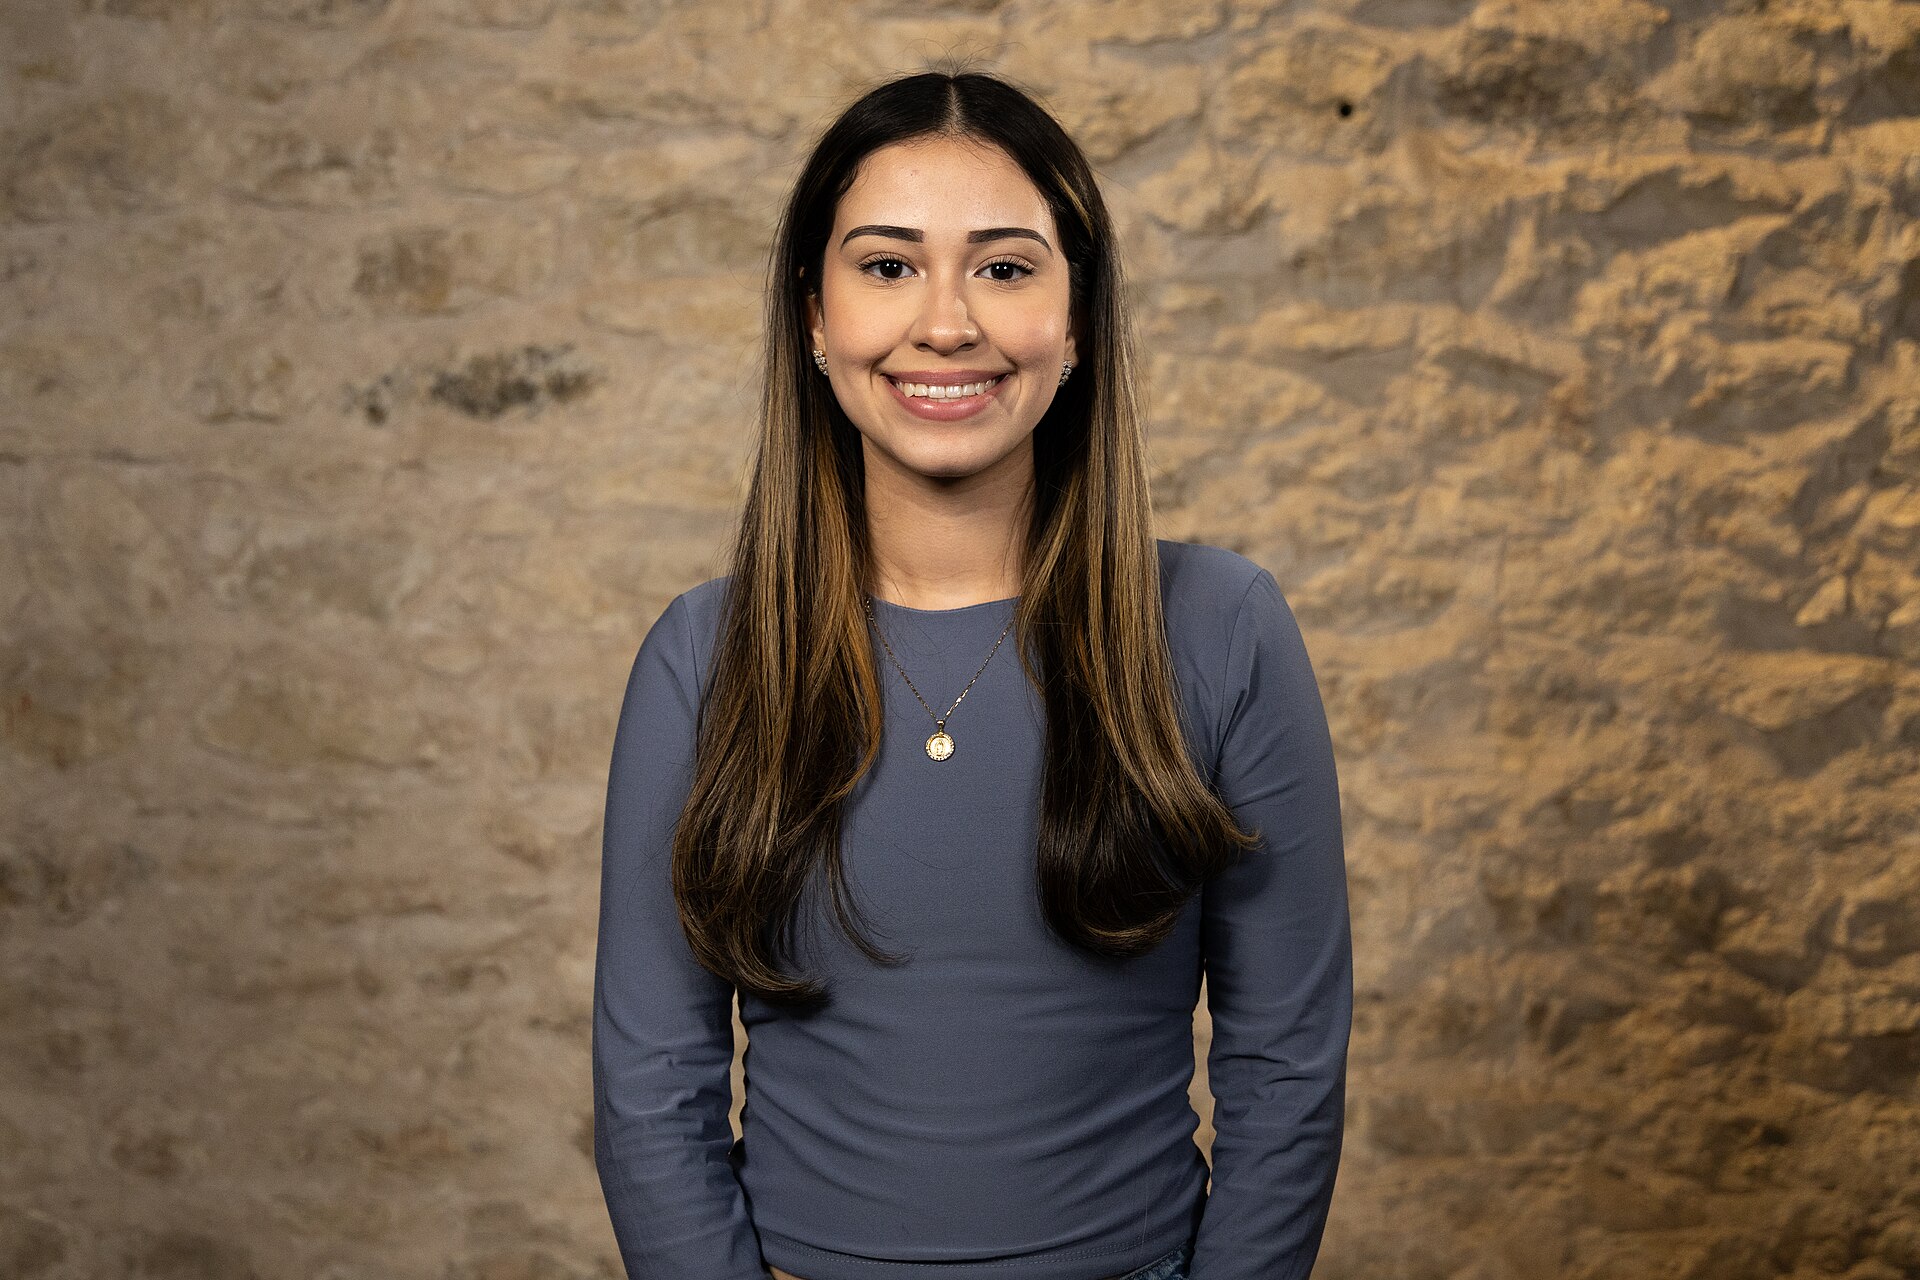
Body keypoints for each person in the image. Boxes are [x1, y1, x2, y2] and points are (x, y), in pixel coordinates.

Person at [591, 67, 1352, 1280]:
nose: (946, 322)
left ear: (1080, 319)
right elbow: (650, 1088)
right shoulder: (706, 655)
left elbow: (1287, 1061)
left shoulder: (1223, 628)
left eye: (1004, 267)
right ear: (814, 318)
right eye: (888, 265)